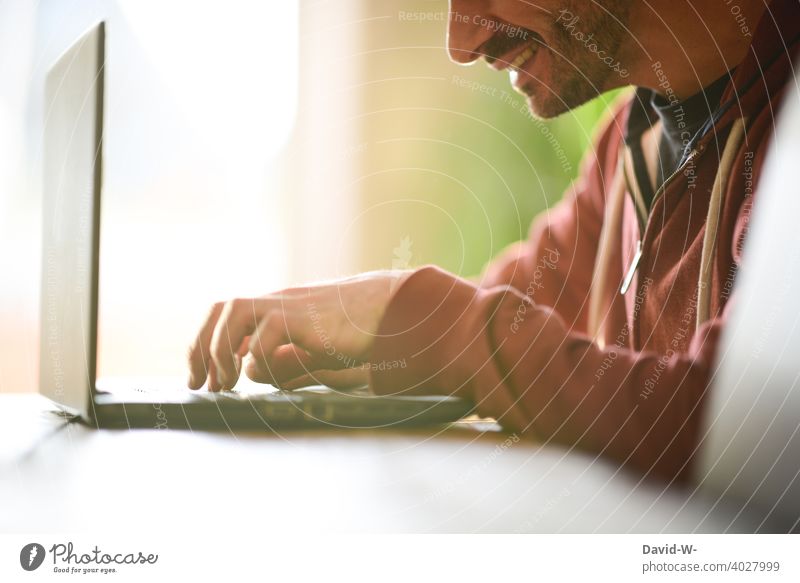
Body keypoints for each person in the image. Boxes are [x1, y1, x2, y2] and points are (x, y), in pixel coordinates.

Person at [186, 0, 799, 482]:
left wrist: (438, 327)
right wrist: (379, 338)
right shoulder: (627, 147)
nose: (460, 42)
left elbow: (740, 430)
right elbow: (524, 304)